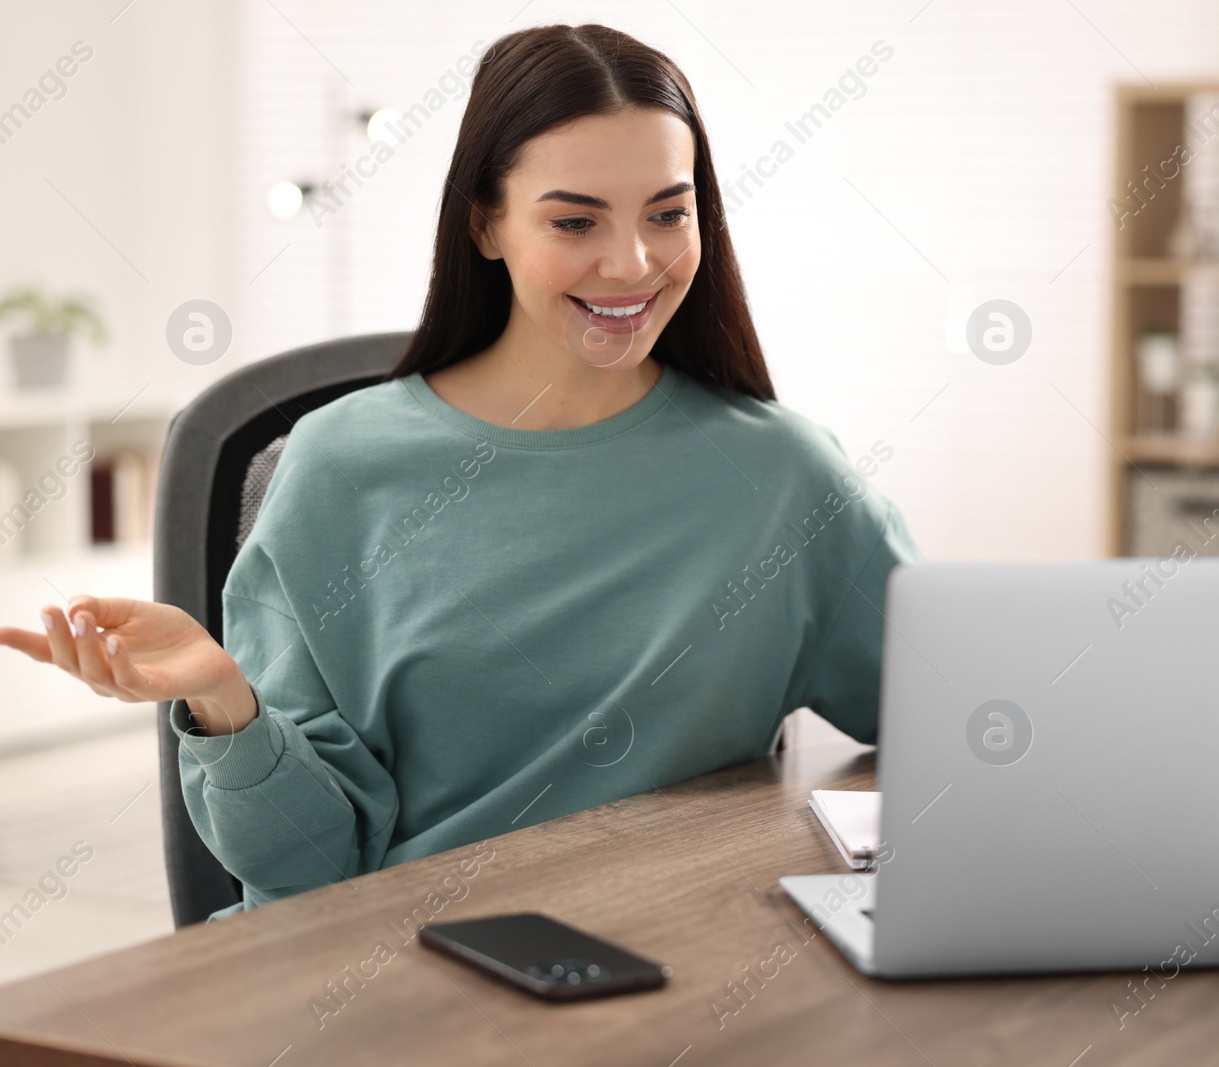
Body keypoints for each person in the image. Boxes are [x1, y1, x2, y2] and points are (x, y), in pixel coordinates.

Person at [0, 23, 921, 921]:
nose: (633, 262)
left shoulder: (783, 477)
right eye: (574, 219)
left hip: (677, 961)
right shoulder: (337, 468)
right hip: (407, 974)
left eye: (668, 214)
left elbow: (955, 717)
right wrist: (225, 701)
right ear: (486, 222)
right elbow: (306, 868)